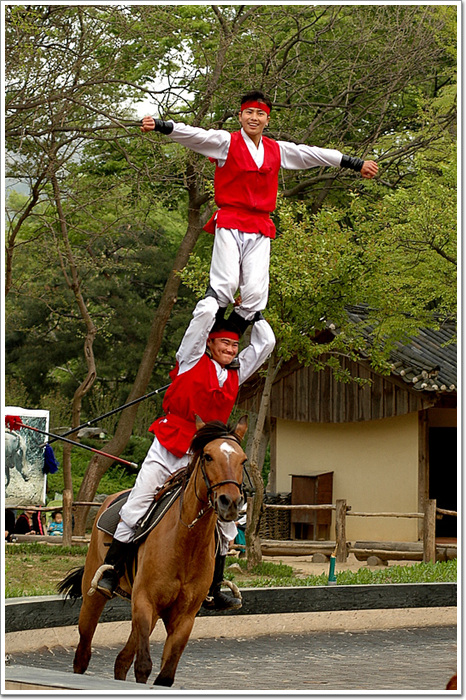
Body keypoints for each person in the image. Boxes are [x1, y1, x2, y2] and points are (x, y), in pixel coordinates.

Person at [97, 296, 275, 608]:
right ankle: (112, 571)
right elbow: (203, 315)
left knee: (227, 520)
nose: (231, 350)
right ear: (209, 344)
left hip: (205, 456)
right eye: (224, 344)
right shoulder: (191, 359)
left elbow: (266, 343)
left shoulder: (236, 372)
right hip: (170, 446)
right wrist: (220, 302)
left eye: (234, 347)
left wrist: (252, 313)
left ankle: (213, 587)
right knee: (138, 503)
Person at [140, 90, 378, 323]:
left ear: (267, 119)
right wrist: (161, 125)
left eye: (260, 113)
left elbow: (313, 154)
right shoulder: (226, 142)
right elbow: (197, 135)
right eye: (249, 112)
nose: (254, 117)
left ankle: (228, 338)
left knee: (255, 293)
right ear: (241, 116)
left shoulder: (276, 149)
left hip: (261, 225)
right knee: (226, 284)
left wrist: (356, 164)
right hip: (231, 220)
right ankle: (208, 332)